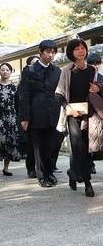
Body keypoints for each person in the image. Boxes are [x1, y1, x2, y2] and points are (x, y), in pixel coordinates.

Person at [55, 38, 97, 197]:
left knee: (87, 147)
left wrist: (96, 88)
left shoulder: (92, 69)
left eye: (83, 48)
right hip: (73, 113)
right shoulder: (67, 70)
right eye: (77, 49)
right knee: (78, 145)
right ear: (71, 53)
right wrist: (68, 109)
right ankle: (87, 182)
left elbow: (98, 90)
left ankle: (73, 173)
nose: (81, 51)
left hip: (89, 113)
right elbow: (59, 94)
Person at [18, 41, 61, 187]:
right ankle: (42, 176)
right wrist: (24, 117)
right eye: (48, 52)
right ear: (40, 52)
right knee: (38, 147)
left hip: (53, 114)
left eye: (53, 52)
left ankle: (49, 172)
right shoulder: (29, 70)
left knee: (50, 146)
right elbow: (24, 95)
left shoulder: (57, 71)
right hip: (35, 114)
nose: (50, 55)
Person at [0, 63, 21, 176]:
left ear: (10, 71)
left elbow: (18, 104)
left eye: (7, 70)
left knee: (9, 142)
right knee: (0, 140)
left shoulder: (14, 87)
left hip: (11, 118)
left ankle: (6, 168)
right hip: (0, 118)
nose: (4, 72)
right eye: (2, 70)